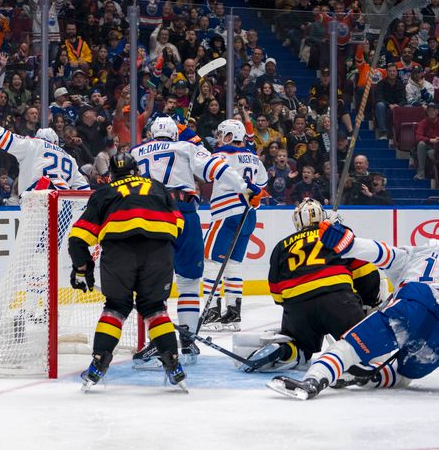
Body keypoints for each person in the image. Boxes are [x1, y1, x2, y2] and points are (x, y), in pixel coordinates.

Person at [269, 220, 439, 400]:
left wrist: (348, 244)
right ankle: (368, 377)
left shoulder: (414, 256)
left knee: (349, 346)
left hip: (414, 301)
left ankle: (313, 380)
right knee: (404, 376)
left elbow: (379, 252)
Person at [131, 116, 260, 365]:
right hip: (182, 212)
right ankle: (188, 341)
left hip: (145, 215)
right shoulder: (186, 146)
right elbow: (217, 169)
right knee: (189, 281)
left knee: (152, 283)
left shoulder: (136, 151)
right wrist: (245, 187)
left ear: (151, 134)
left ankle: (156, 341)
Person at [68, 153, 187, 391]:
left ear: (111, 174)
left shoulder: (105, 192)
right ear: (137, 170)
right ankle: (173, 364)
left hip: (119, 254)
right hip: (159, 253)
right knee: (155, 309)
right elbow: (179, 225)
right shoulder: (157, 187)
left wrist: (82, 268)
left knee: (115, 308)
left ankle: (98, 364)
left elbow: (77, 239)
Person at [234, 199, 380, 373]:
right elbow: (367, 271)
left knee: (299, 346)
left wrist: (293, 308)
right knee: (361, 342)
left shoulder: (282, 246)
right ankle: (348, 356)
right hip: (337, 299)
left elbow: (276, 291)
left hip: (297, 307)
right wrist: (368, 302)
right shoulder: (337, 235)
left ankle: (286, 351)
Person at [202, 119, 268, 332]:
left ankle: (211, 313)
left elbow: (206, 173)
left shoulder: (221, 155)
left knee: (211, 261)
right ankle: (232, 314)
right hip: (249, 215)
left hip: (226, 213)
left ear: (230, 136)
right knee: (234, 265)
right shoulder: (254, 157)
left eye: (222, 134)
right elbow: (263, 183)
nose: (219, 139)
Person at [0, 102, 89, 193]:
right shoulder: (69, 158)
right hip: (62, 204)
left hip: (37, 200)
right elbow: (84, 190)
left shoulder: (34, 144)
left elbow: (3, 138)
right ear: (55, 143)